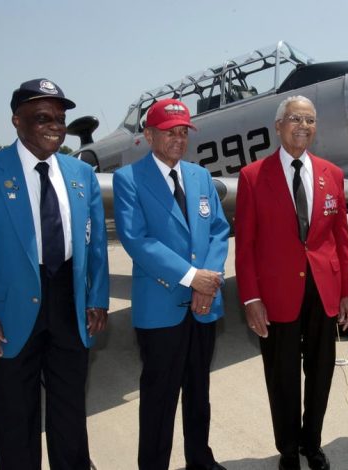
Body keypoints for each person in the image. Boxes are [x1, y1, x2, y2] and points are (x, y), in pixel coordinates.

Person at [0, 78, 110, 469]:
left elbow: (95, 246)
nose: (55, 125)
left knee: (70, 411)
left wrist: (97, 298)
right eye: (43, 117)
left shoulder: (81, 174)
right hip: (8, 311)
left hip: (69, 304)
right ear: (16, 121)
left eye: (60, 118)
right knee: (15, 416)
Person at [235, 96, 348, 470]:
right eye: (294, 119)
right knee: (282, 375)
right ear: (278, 125)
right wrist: (251, 298)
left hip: (324, 290)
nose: (302, 125)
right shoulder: (253, 176)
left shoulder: (331, 174)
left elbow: (340, 238)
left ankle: (312, 443)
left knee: (320, 373)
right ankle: (288, 449)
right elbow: (246, 244)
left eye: (309, 119)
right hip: (276, 294)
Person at [113, 98, 229, 470]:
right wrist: (193, 278)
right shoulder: (129, 179)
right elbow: (137, 239)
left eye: (183, 133)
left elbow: (218, 231)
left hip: (203, 305)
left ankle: (200, 459)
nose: (178, 140)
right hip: (161, 308)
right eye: (169, 133)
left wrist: (206, 282)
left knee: (199, 392)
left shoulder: (200, 177)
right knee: (159, 399)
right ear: (149, 135)